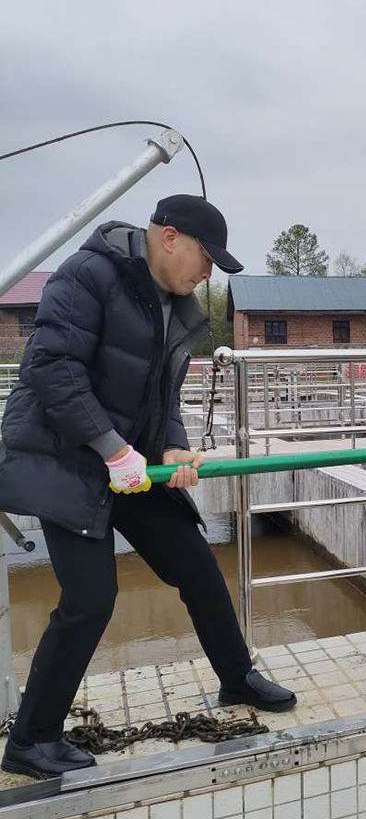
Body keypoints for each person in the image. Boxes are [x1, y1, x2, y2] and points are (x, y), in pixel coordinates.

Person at [0, 195, 296, 779]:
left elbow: (161, 401)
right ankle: (32, 739)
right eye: (205, 259)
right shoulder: (88, 275)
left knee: (196, 563)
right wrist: (111, 449)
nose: (207, 273)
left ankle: (236, 679)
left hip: (129, 464)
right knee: (90, 599)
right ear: (168, 238)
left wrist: (172, 448)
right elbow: (53, 370)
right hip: (67, 460)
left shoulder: (174, 305)